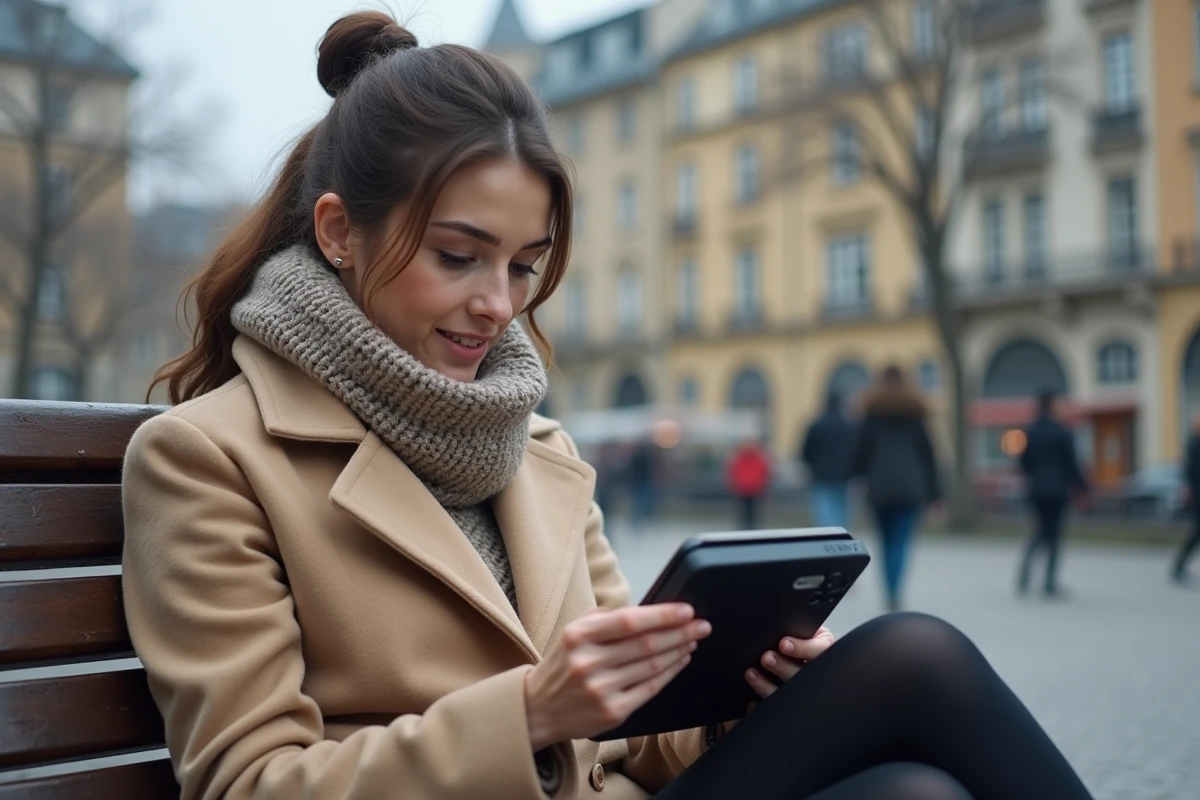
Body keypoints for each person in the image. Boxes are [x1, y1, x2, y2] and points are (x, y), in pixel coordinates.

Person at [120, 13, 1094, 800]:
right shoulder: (208, 459)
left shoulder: (539, 448)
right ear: (339, 231)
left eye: (523, 265)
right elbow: (250, 783)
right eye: (459, 255)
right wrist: (529, 713)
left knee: (915, 789)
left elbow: (633, 740)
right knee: (915, 657)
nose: (499, 303)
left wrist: (738, 698)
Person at [851, 365, 941, 612]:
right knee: (901, 542)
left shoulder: (871, 415)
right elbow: (929, 457)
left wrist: (857, 478)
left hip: (879, 487)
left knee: (885, 541)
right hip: (911, 487)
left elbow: (861, 453)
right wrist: (935, 495)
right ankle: (895, 591)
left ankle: (889, 590)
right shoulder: (916, 414)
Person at [1017, 389, 1089, 599]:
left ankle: (1025, 570)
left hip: (1037, 490)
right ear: (1051, 406)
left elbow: (1023, 463)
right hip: (1058, 490)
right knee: (1055, 535)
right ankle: (1049, 582)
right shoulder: (1063, 433)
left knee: (1040, 531)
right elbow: (1072, 465)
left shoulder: (1030, 432)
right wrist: (1084, 488)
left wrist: (1035, 477)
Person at [800, 390, 857, 529]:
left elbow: (805, 452)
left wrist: (814, 466)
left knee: (824, 517)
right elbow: (856, 452)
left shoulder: (816, 426)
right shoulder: (849, 427)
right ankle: (840, 539)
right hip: (843, 477)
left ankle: (828, 539)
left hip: (821, 476)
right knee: (841, 516)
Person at [1172, 413, 1200, 584]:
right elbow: (1190, 473)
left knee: (1196, 533)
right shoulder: (1195, 445)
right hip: (1198, 495)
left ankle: (1179, 565)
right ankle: (1179, 566)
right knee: (1196, 532)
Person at [727, 438, 772, 530]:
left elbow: (764, 472)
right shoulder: (741, 458)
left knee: (753, 511)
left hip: (754, 489)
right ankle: (745, 528)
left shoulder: (757, 458)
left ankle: (751, 528)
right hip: (743, 489)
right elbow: (733, 472)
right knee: (744, 511)